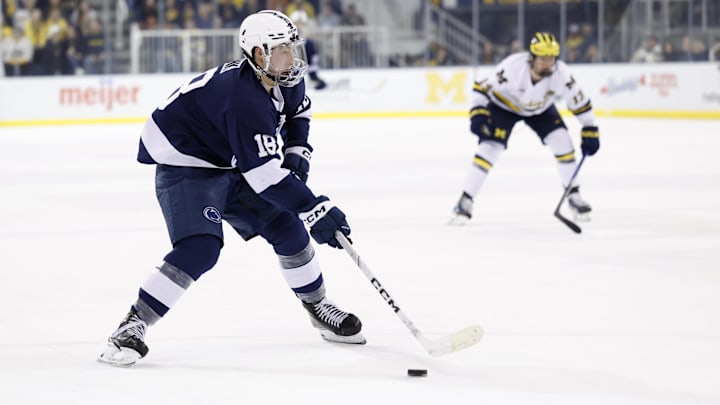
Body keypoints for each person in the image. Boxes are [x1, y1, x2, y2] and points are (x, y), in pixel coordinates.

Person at [98, 10, 364, 367]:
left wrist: (298, 148)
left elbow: (300, 111)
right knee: (201, 248)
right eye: (282, 49)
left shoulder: (283, 76)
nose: (292, 57)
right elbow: (264, 177)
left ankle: (317, 306)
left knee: (288, 227)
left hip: (230, 159)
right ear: (258, 54)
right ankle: (131, 326)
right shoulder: (243, 99)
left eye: (292, 47)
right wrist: (314, 206)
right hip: (187, 165)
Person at [450, 32, 600, 224]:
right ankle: (465, 200)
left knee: (563, 141)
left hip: (540, 109)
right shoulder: (512, 68)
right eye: (543, 58)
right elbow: (481, 86)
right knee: (489, 149)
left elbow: (579, 101)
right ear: (532, 58)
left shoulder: (562, 74)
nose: (548, 63)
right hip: (504, 106)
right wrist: (478, 112)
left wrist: (590, 128)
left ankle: (573, 196)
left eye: (552, 58)